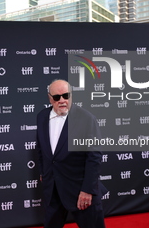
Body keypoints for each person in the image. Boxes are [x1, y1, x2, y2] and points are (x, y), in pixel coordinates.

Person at [36, 79, 107, 228]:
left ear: (71, 96)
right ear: (50, 98)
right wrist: (44, 172)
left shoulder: (86, 119)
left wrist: (87, 190)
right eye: (57, 97)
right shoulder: (42, 117)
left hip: (80, 190)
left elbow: (94, 156)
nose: (62, 101)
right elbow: (41, 148)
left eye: (66, 96)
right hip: (53, 188)